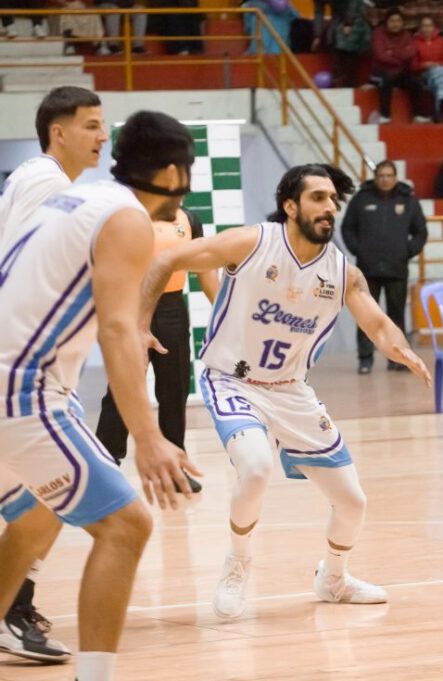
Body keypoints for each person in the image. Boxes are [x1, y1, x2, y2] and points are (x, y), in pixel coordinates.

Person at [141, 163, 433, 620]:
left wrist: (403, 349)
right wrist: (140, 324)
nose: (329, 207)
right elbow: (164, 261)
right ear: (290, 206)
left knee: (353, 502)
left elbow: (378, 325)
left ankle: (333, 580)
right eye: (318, 197)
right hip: (233, 380)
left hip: (291, 392)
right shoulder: (251, 242)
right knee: (257, 467)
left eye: (333, 200)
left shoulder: (341, 272)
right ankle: (237, 564)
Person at [0, 109, 200, 681]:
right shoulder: (127, 218)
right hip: (23, 388)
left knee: (39, 513)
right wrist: (149, 437)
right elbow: (115, 332)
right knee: (127, 525)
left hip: (16, 380)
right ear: (172, 171)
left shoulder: (76, 199)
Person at [0, 85, 107, 666]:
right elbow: (30, 271)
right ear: (58, 131)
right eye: (91, 125)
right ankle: (14, 610)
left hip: (29, 373)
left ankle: (14, 605)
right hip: (24, 378)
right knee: (59, 500)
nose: (102, 135)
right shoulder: (46, 184)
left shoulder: (37, 181)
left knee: (40, 504)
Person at [95, 207, 220, 469]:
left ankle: (174, 465)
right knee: (123, 385)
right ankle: (106, 464)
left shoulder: (190, 219)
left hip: (173, 309)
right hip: (132, 304)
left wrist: (226, 317)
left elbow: (207, 274)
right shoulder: (128, 216)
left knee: (174, 390)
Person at [342, 160, 428, 374]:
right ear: (376, 177)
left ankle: (398, 360)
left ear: (395, 177)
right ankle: (365, 359)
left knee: (396, 316)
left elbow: (420, 232)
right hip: (367, 269)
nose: (385, 179)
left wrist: (406, 252)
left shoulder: (408, 200)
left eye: (389, 175)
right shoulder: (361, 199)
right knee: (366, 316)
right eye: (381, 175)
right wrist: (359, 250)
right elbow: (347, 228)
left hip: (397, 268)